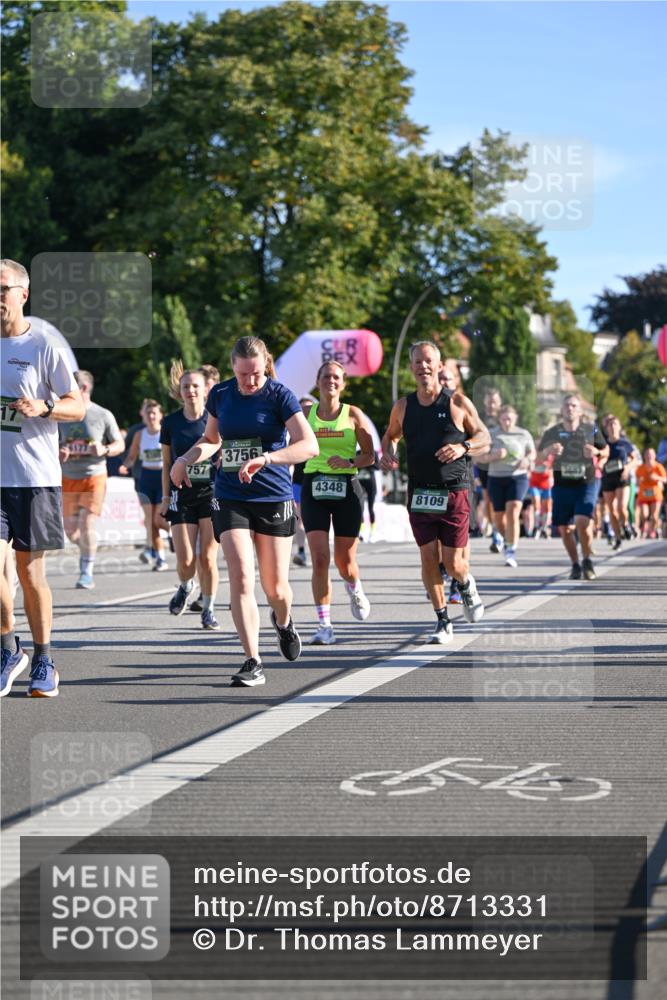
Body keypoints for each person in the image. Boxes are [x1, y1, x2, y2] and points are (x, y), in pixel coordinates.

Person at [171, 335, 318, 686]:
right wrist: (185, 458)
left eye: (255, 374)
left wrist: (267, 458)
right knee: (240, 577)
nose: (250, 382)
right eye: (242, 375)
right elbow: (212, 440)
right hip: (230, 494)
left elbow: (309, 446)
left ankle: (283, 622)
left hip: (273, 496)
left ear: (265, 365)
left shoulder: (280, 396)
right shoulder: (221, 394)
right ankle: (253, 660)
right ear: (233, 368)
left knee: (275, 588)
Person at [1, 258, 85, 697]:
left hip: (33, 477)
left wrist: (45, 407)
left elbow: (77, 405)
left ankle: (43, 659)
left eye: (2, 289)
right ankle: (7, 647)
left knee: (29, 572)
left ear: (23, 294)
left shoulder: (43, 346)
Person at [381, 341, 489, 643]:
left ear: (439, 366)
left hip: (454, 491)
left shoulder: (457, 402)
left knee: (453, 564)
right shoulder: (403, 406)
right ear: (411, 367)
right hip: (420, 492)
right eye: (418, 362)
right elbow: (390, 436)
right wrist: (388, 452)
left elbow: (484, 436)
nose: (423, 366)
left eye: (428, 361)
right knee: (428, 558)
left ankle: (465, 583)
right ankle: (442, 620)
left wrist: (463, 446)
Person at [300, 362, 375, 645]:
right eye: (326, 376)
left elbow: (370, 456)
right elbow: (290, 443)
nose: (330, 381)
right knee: (320, 558)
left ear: (342, 383)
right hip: (314, 486)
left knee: (345, 562)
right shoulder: (306, 414)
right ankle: (325, 625)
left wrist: (349, 461)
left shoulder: (353, 414)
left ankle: (354, 587)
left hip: (346, 488)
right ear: (317, 380)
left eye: (336, 377)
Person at [159, 369, 220, 629]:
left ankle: (208, 609)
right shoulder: (170, 422)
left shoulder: (215, 420)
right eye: (186, 386)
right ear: (180, 391)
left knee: (207, 557)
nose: (191, 391)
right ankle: (186, 585)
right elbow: (166, 463)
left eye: (195, 386)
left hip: (211, 494)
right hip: (180, 494)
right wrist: (165, 496)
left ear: (206, 389)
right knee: (186, 561)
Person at [58, 370, 125, 589]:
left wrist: (104, 449)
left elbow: (119, 444)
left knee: (87, 524)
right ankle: (88, 550)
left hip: (94, 475)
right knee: (71, 532)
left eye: (71, 385)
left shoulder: (102, 414)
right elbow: (50, 444)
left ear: (84, 388)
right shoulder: (62, 414)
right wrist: (59, 452)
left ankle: (86, 571)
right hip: (68, 476)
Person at [536, 394, 608, 580]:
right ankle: (575, 564)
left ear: (580, 411)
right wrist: (548, 451)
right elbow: (539, 457)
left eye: (574, 405)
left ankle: (587, 560)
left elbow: (606, 450)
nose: (570, 408)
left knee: (582, 522)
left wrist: (597, 452)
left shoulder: (590, 430)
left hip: (586, 483)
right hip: (562, 485)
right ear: (562, 410)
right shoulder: (552, 432)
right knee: (565, 528)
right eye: (567, 405)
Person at [484, 405, 536, 568]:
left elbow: (532, 452)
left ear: (515, 419)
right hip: (496, 478)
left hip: (518, 477)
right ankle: (505, 539)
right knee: (499, 518)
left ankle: (511, 551)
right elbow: (479, 458)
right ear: (499, 419)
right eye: (504, 419)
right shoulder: (491, 434)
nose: (507, 422)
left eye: (510, 419)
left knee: (513, 511)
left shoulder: (523, 434)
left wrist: (527, 459)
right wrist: (493, 456)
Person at [124, 400, 168, 571]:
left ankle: (173, 532)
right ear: (144, 416)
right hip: (146, 478)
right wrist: (125, 465)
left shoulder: (165, 432)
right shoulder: (140, 434)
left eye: (154, 413)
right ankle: (160, 558)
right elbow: (132, 456)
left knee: (159, 519)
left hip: (162, 478)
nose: (151, 416)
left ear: (160, 415)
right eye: (148, 413)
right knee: (150, 522)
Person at [600, 415, 638, 550]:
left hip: (622, 477)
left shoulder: (624, 443)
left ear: (619, 427)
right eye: (610, 425)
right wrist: (600, 463)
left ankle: (626, 525)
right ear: (606, 428)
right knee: (612, 510)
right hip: (608, 478)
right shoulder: (603, 444)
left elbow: (635, 460)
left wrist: (627, 467)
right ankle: (617, 538)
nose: (612, 427)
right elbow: (598, 458)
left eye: (615, 424)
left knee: (622, 507)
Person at [475, 386, 503, 551]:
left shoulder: (504, 417)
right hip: (484, 464)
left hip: (503, 464)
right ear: (485, 402)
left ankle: (502, 530)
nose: (492, 405)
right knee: (488, 500)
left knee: (502, 502)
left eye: (494, 401)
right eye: (489, 401)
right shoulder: (479, 417)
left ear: (499, 402)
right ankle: (496, 533)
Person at [636, 447, 666, 539]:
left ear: (654, 456)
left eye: (651, 454)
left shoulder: (658, 467)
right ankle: (644, 529)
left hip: (655, 494)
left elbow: (665, 479)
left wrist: (657, 478)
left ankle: (653, 530)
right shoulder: (640, 468)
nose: (649, 456)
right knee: (645, 515)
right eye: (647, 454)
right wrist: (639, 480)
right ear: (644, 456)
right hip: (644, 494)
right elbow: (636, 480)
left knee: (655, 515)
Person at [528, 453, 554, 539]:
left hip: (547, 483)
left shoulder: (551, 455)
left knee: (547, 507)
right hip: (535, 483)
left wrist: (548, 467)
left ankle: (545, 528)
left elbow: (554, 467)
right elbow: (529, 465)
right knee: (536, 504)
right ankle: (536, 527)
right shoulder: (533, 454)